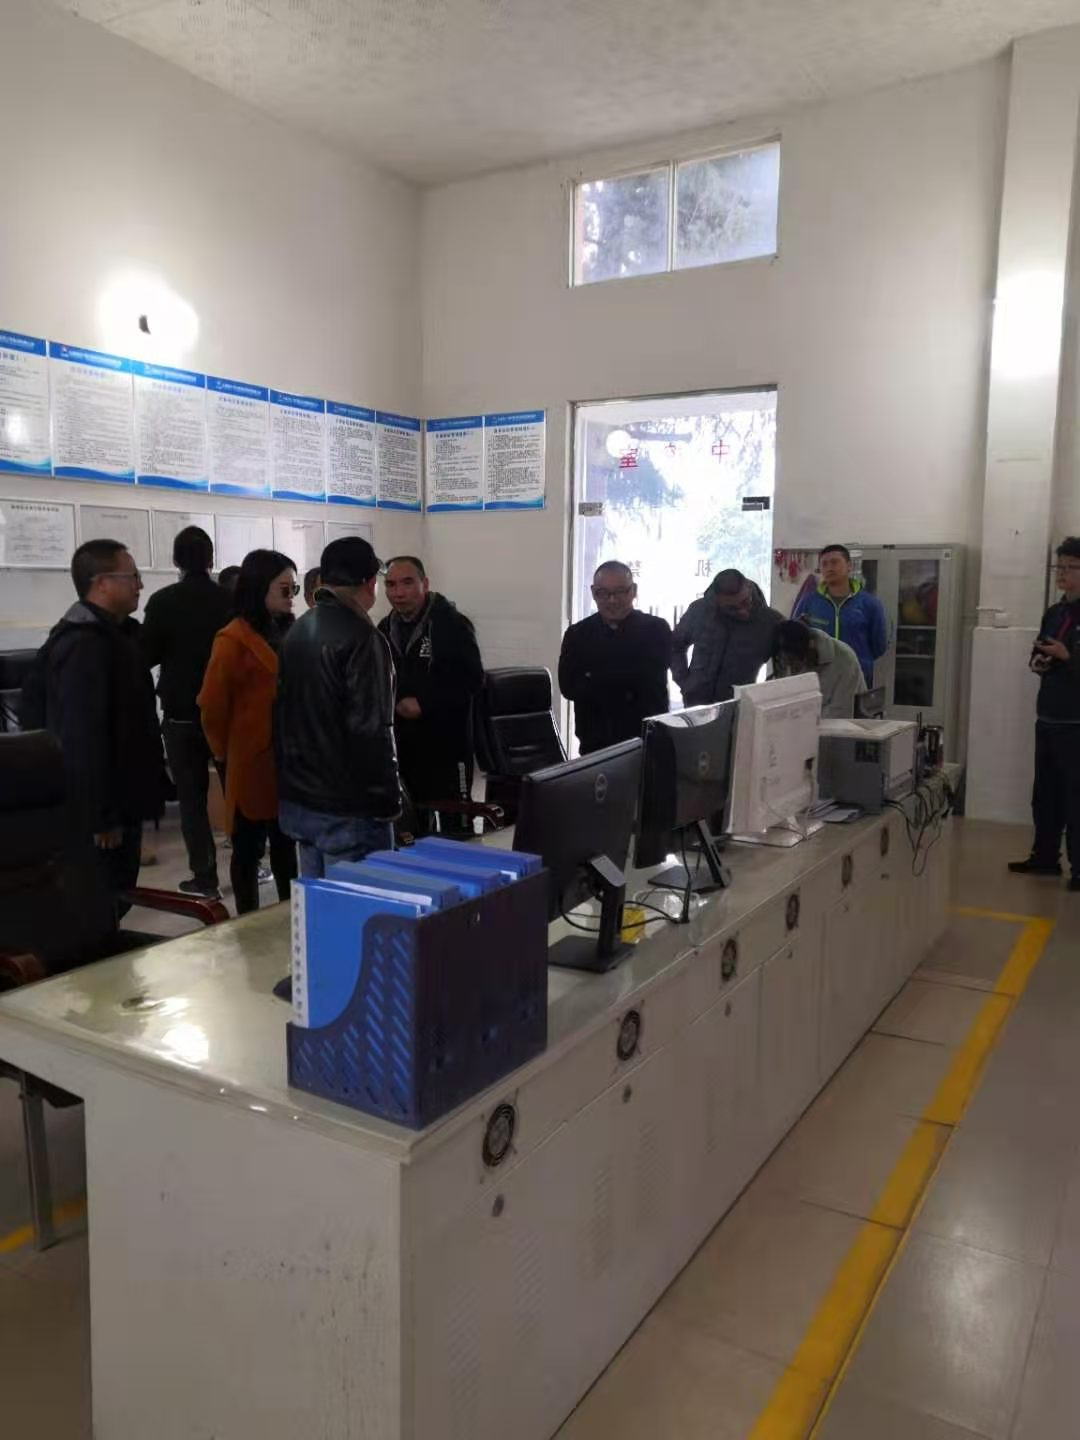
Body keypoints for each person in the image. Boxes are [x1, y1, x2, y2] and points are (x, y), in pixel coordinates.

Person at [19, 540, 165, 912]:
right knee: (102, 903)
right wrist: (101, 817)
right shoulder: (84, 645)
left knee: (118, 896)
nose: (140, 585)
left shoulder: (117, 635)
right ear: (101, 583)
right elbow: (81, 735)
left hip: (119, 799)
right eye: (132, 576)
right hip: (98, 813)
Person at [277, 536, 401, 875]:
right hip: (350, 810)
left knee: (319, 904)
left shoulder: (299, 630)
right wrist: (388, 803)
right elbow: (372, 729)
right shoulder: (364, 638)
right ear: (370, 583)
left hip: (301, 803)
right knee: (358, 905)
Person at [198, 549, 298, 914]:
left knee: (286, 845)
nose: (291, 597)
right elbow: (212, 705)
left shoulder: (290, 630)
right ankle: (246, 921)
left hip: (289, 758)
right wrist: (223, 754)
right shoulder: (232, 639)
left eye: (294, 589)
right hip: (251, 759)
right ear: (259, 588)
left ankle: (290, 915)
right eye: (285, 589)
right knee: (248, 847)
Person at [141, 526, 232, 899]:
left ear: (176, 561)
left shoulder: (163, 601)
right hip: (227, 715)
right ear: (211, 559)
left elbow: (146, 655)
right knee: (236, 794)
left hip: (181, 715)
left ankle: (205, 878)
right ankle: (249, 865)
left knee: (192, 801)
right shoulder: (231, 600)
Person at [378, 555, 483, 831]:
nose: (398, 593)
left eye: (407, 583)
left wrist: (425, 703)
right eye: (390, 585)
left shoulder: (452, 624)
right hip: (403, 745)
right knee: (410, 826)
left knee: (455, 825)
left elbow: (472, 679)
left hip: (448, 746)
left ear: (424, 584)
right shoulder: (384, 629)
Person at [1009, 537, 1080, 890]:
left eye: (1071, 567)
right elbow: (1040, 649)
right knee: (1045, 794)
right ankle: (1045, 857)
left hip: (1076, 722)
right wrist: (1038, 662)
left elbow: (1068, 656)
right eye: (1059, 567)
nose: (1062, 573)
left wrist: (1068, 657)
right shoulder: (1054, 612)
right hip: (1049, 715)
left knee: (1075, 798)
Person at [558, 560, 672, 754]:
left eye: (619, 592)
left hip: (646, 740)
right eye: (603, 593)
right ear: (593, 593)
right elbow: (569, 687)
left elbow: (647, 678)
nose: (612, 600)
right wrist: (623, 672)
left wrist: (594, 675)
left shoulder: (656, 629)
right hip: (596, 742)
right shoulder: (578, 634)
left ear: (633, 591)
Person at [671, 569, 783, 706]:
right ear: (718, 601)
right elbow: (674, 645)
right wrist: (684, 681)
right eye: (732, 608)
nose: (742, 611)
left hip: (738, 706)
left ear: (748, 588)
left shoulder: (771, 622)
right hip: (696, 704)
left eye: (746, 602)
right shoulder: (700, 611)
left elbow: (788, 672)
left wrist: (765, 698)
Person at [794, 543, 888, 686]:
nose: (829, 568)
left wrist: (858, 661)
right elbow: (795, 638)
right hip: (818, 680)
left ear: (849, 566)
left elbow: (879, 647)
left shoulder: (870, 604)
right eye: (824, 564)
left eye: (834, 562)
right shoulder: (809, 602)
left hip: (857, 679)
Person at [771, 620, 866, 718]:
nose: (791, 670)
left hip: (847, 723)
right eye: (786, 662)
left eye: (794, 663)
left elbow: (841, 712)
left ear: (810, 648)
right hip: (808, 721)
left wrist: (803, 719)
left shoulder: (845, 660)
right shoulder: (788, 657)